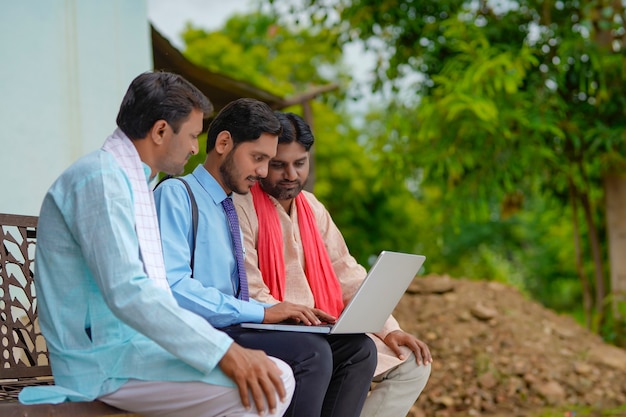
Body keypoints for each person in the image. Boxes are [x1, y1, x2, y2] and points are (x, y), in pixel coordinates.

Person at [20, 72, 295, 417]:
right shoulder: (101, 180)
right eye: (193, 135)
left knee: (272, 376)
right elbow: (128, 291)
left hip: (130, 351)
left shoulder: (128, 179)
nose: (196, 147)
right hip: (101, 362)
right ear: (161, 131)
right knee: (272, 381)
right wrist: (224, 351)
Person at [154, 98, 377, 417]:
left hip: (238, 323)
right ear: (223, 143)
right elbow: (172, 288)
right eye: (258, 159)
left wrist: (273, 312)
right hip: (205, 330)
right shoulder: (178, 195)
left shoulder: (230, 206)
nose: (262, 172)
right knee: (310, 354)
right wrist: (263, 312)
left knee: (359, 349)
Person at [234, 111, 433, 417]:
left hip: (324, 329)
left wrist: (390, 330)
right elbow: (250, 288)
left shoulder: (313, 208)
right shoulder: (241, 206)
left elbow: (348, 276)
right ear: (262, 162)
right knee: (345, 353)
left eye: (299, 163)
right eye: (278, 165)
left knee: (412, 362)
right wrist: (292, 314)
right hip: (278, 331)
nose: (290, 174)